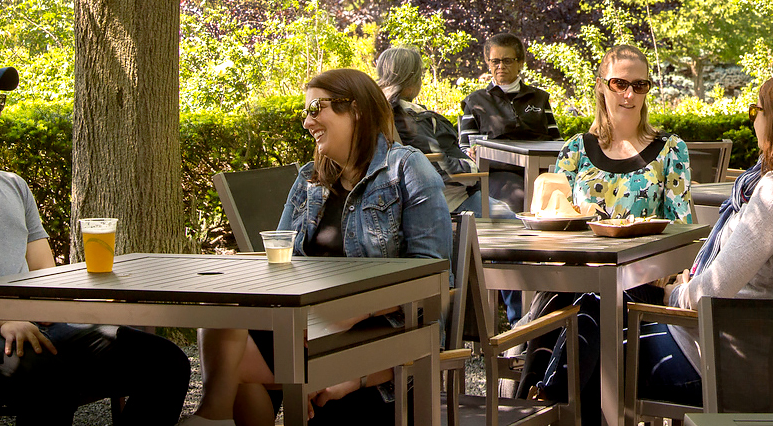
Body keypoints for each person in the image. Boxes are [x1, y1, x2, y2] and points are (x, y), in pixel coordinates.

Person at [0, 54, 190, 425]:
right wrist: (2, 316)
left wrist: (87, 307)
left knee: (164, 361)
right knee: (45, 369)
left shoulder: (12, 185)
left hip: (41, 327)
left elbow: (44, 270)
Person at [182, 68, 451, 426]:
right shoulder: (309, 180)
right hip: (309, 325)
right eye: (305, 112)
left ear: (354, 109)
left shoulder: (406, 169)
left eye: (316, 109)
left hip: (383, 334)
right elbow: (278, 266)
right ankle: (212, 417)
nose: (307, 122)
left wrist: (346, 314)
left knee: (235, 366)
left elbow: (431, 280)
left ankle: (213, 417)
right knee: (223, 317)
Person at [513, 44, 694, 424]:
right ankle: (541, 402)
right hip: (571, 275)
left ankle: (541, 402)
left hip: (635, 280)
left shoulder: (669, 150)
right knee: (567, 301)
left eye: (640, 85)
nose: (629, 94)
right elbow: (551, 218)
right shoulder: (577, 149)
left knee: (593, 302)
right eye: (619, 83)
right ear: (601, 86)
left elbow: (683, 228)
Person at [635, 73, 773, 407]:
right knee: (597, 306)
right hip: (751, 351)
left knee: (595, 330)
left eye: (757, 110)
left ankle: (541, 397)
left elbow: (711, 294)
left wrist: (675, 293)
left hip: (716, 362)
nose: (753, 118)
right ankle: (539, 388)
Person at [375, 47, 514, 219]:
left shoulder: (381, 111)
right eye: (420, 75)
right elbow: (436, 165)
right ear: (410, 81)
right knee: (513, 220)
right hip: (448, 202)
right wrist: (472, 166)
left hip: (423, 198)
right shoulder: (408, 118)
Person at [457, 32, 561, 214]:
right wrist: (471, 152)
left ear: (520, 63)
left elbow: (557, 141)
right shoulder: (476, 101)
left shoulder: (538, 98)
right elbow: (465, 148)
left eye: (507, 61)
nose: (500, 66)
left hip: (542, 172)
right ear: (488, 63)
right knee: (519, 198)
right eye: (494, 61)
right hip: (499, 174)